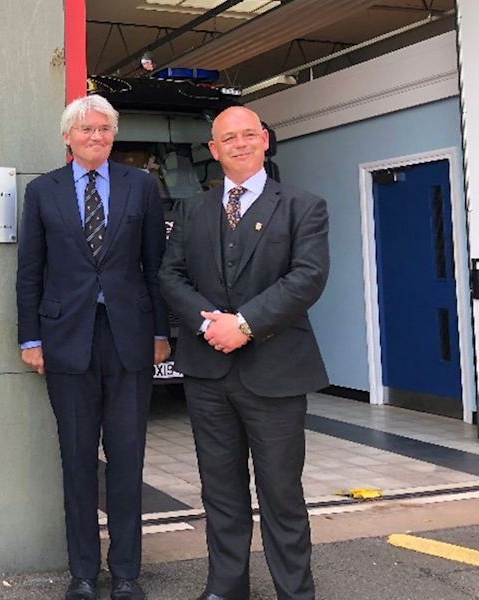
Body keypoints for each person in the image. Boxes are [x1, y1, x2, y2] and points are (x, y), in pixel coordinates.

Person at [158, 106, 329, 600]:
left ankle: (295, 592)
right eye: (226, 138)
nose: (238, 144)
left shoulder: (304, 206)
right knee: (221, 492)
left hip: (275, 371)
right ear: (213, 150)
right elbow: (171, 276)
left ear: (265, 140)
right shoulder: (191, 211)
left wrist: (246, 325)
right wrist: (210, 323)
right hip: (208, 372)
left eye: (247, 135)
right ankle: (225, 587)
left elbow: (308, 277)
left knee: (281, 494)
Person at [15, 95, 170, 600]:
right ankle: (82, 571)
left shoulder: (142, 187)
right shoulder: (42, 191)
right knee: (77, 460)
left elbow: (157, 267)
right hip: (65, 341)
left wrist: (161, 334)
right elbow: (28, 271)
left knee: (127, 460)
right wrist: (31, 337)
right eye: (86, 129)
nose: (96, 137)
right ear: (67, 137)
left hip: (129, 339)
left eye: (104, 129)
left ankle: (126, 572)